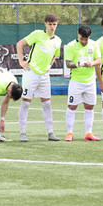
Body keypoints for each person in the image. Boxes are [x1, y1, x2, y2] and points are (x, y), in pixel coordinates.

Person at [17, 13, 63, 142]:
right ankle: (22, 133)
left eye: (54, 24)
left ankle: (50, 133)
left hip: (44, 76)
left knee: (47, 104)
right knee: (26, 103)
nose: (52, 27)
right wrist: (21, 62)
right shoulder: (37, 34)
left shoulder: (58, 40)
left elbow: (55, 55)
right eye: (50, 24)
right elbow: (20, 44)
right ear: (45, 24)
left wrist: (49, 65)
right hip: (31, 72)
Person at [63, 25, 103, 141]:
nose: (84, 41)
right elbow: (68, 64)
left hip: (90, 81)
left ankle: (88, 133)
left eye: (86, 39)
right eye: (82, 39)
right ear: (78, 34)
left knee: (89, 106)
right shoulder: (71, 46)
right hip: (76, 81)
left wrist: (92, 63)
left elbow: (99, 60)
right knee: (72, 106)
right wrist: (78, 64)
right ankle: (69, 133)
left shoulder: (94, 44)